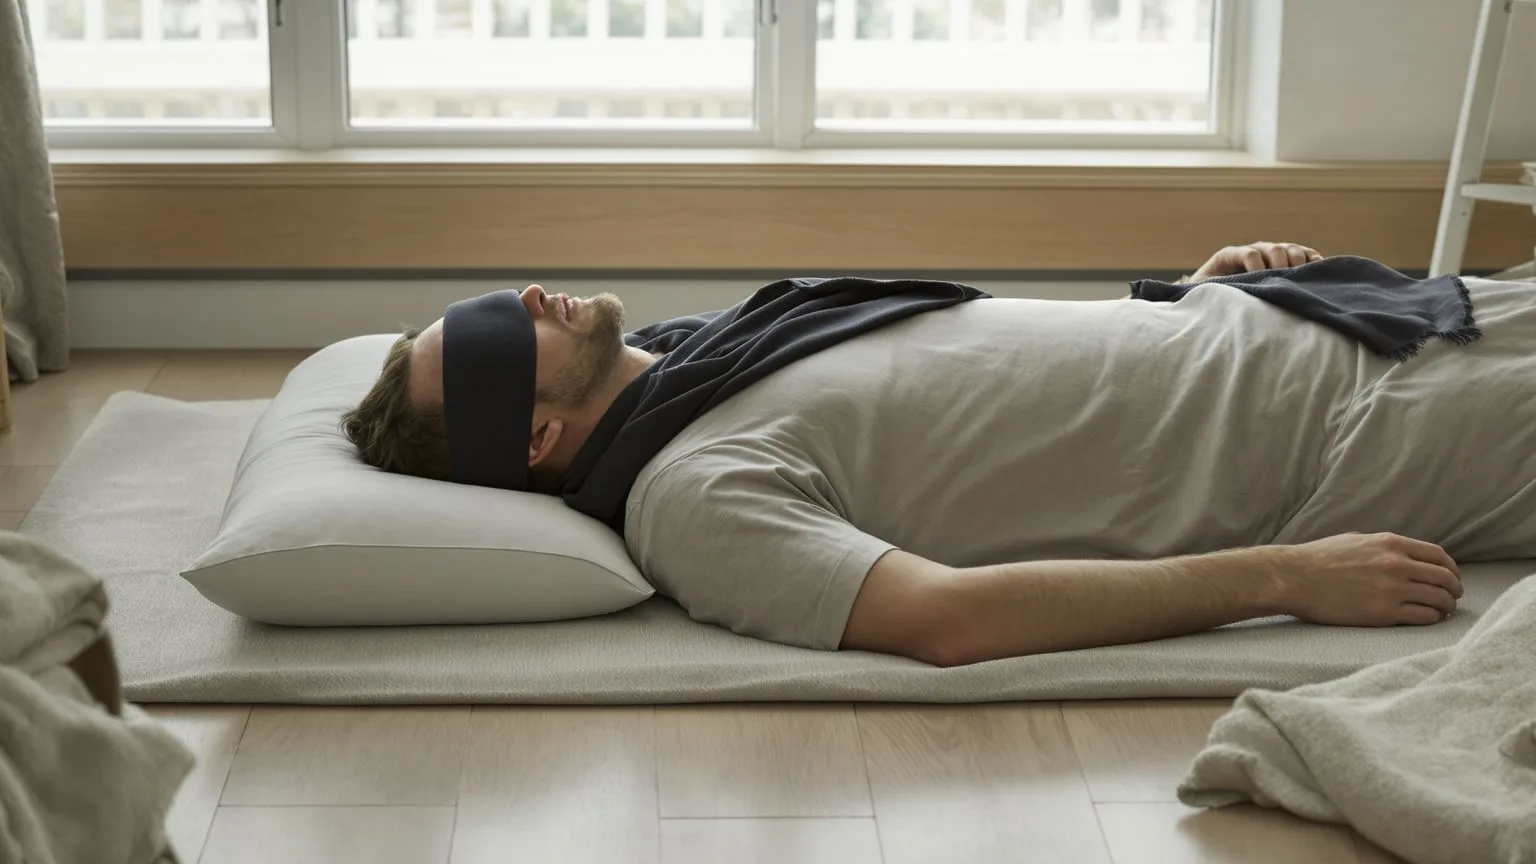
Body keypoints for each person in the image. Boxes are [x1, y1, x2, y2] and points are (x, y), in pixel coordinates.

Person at [342, 241, 1536, 667]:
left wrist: (1190, 297)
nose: (531, 292)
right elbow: (945, 620)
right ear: (539, 439)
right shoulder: (692, 495)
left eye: (499, 295)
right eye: (503, 334)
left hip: (1356, 317)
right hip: (1368, 436)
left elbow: (1000, 376)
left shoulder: (702, 352)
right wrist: (1282, 580)